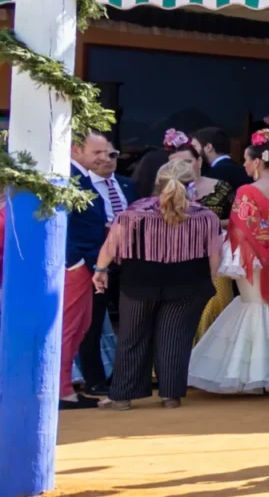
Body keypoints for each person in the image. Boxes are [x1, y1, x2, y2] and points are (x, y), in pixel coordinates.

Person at [93, 161, 221, 410]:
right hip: (189, 283)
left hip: (139, 281)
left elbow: (111, 245)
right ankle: (170, 395)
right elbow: (214, 255)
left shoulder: (133, 213)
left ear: (157, 182)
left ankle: (121, 397)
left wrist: (100, 270)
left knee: (132, 337)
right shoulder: (206, 216)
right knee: (175, 338)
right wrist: (211, 281)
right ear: (190, 184)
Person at [187, 130, 269, 394]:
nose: (245, 166)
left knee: (255, 305)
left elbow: (241, 228)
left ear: (258, 162)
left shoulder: (248, 190)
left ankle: (254, 373)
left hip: (254, 259)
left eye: (248, 161)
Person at [61, 132, 125, 409]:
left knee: (82, 327)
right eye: (97, 152)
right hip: (79, 265)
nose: (104, 158)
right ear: (75, 150)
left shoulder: (81, 176)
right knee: (70, 328)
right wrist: (74, 262)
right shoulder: (69, 178)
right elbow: (62, 224)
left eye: (107, 152)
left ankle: (65, 389)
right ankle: (63, 391)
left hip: (89, 264)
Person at [75, 135, 138, 399]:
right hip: (96, 264)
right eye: (99, 154)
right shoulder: (81, 185)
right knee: (93, 324)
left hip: (130, 265)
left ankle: (124, 378)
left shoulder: (128, 185)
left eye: (112, 154)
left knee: (132, 322)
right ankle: (95, 380)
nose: (107, 160)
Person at [165, 131, 236, 344]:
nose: (182, 168)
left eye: (187, 161)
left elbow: (237, 220)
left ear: (199, 161)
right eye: (175, 165)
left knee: (216, 304)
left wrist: (208, 221)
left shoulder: (222, 186)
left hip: (214, 254)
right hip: (178, 258)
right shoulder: (164, 191)